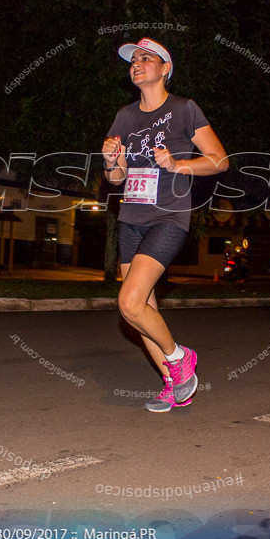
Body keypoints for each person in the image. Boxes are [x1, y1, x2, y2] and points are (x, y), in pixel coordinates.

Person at [102, 38, 228, 412]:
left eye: (146, 58)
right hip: (131, 220)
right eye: (133, 60)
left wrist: (177, 165)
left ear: (164, 68)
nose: (137, 64)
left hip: (169, 217)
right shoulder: (124, 117)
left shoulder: (184, 109)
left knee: (129, 300)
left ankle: (178, 357)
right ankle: (174, 383)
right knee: (138, 310)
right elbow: (116, 179)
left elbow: (219, 160)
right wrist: (111, 161)